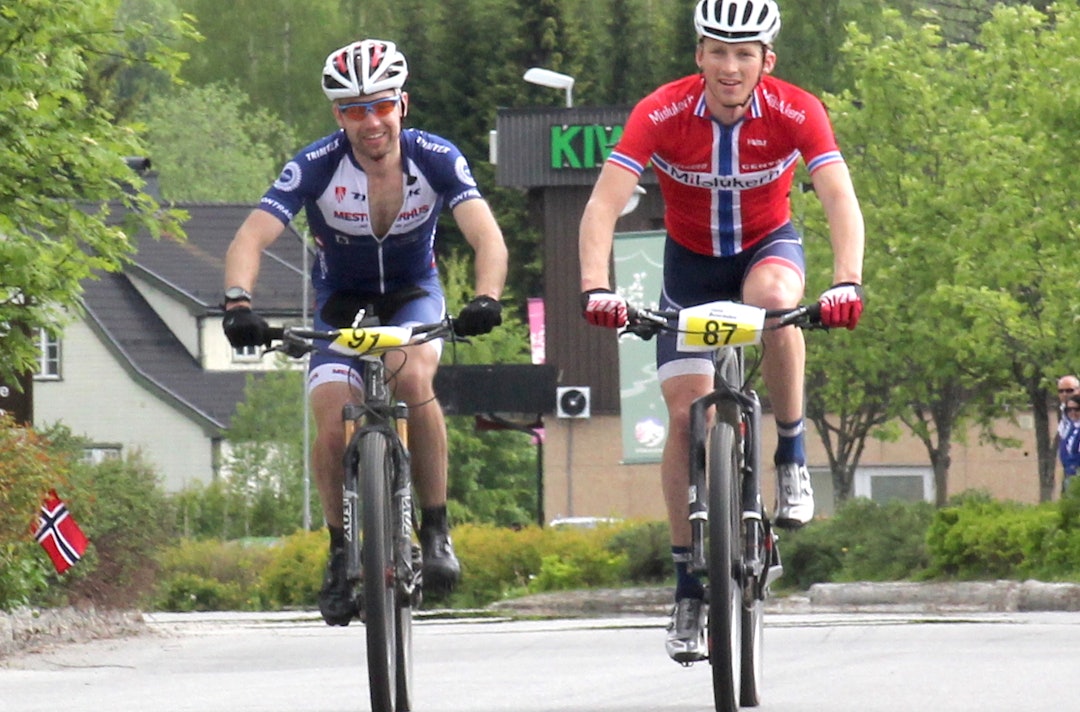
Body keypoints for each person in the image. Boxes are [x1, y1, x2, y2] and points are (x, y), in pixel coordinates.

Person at [577, 0, 865, 663]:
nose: (731, 67)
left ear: (769, 60)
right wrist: (596, 285)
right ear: (698, 56)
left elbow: (839, 197)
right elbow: (603, 203)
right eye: (718, 51)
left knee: (775, 302)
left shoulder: (797, 110)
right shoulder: (662, 111)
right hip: (690, 270)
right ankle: (686, 581)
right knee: (685, 418)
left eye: (745, 54)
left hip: (768, 248)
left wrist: (846, 279)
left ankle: (791, 454)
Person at [221, 39, 508, 626]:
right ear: (338, 115)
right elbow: (250, 239)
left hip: (411, 292)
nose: (370, 122)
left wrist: (486, 298)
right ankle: (337, 552)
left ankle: (435, 527)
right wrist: (237, 303)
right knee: (331, 413)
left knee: (412, 372)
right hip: (340, 302)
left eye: (380, 106)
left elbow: (487, 237)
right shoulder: (316, 164)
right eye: (355, 110)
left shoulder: (436, 156)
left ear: (402, 104)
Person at [1059, 392, 1080, 494]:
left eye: (1077, 409)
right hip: (1069, 472)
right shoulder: (1071, 427)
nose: (1073, 412)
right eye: (1069, 410)